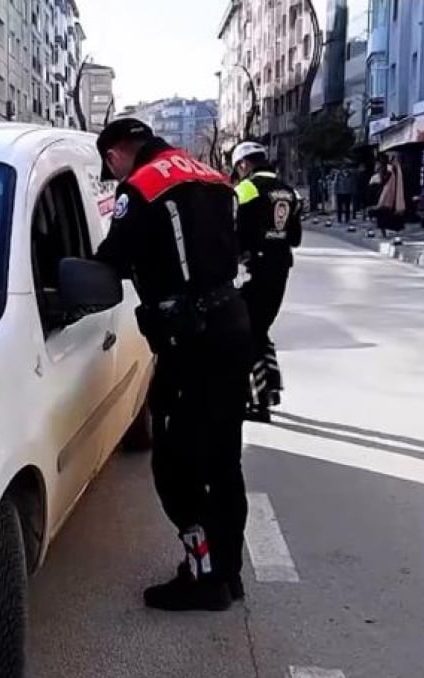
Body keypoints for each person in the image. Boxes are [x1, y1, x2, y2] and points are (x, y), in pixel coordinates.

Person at [94, 118, 254, 612]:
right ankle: (226, 571)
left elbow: (110, 263)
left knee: (176, 465)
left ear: (117, 152)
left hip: (193, 343)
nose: (112, 172)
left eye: (110, 164)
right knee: (224, 459)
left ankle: (204, 579)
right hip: (232, 326)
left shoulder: (141, 186)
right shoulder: (211, 176)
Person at [231, 141, 301, 424]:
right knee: (260, 328)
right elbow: (295, 237)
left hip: (252, 271)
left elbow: (234, 233)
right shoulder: (289, 191)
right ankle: (270, 387)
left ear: (244, 165)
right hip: (280, 268)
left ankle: (259, 402)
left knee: (249, 333)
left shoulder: (245, 190)